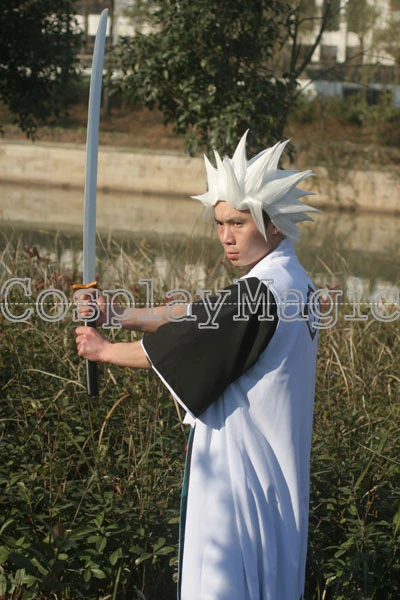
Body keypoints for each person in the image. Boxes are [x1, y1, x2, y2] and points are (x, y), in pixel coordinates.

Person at [75, 130, 320, 600]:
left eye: (239, 223)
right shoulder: (293, 280)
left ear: (273, 225)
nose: (226, 237)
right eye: (220, 223)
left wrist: (104, 350)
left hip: (244, 474)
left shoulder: (263, 291)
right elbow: (199, 316)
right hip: (271, 467)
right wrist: (118, 314)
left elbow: (186, 343)